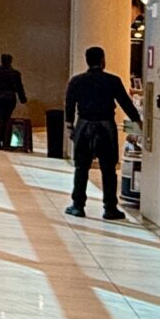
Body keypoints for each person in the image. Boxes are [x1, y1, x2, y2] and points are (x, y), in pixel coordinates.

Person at [64, 43, 141, 219]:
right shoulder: (112, 81)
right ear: (103, 61)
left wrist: (69, 126)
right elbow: (126, 104)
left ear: (87, 61)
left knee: (81, 167)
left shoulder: (76, 81)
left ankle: (77, 205)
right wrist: (137, 124)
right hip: (106, 127)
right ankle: (109, 208)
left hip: (83, 126)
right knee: (108, 169)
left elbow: (69, 105)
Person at [0, 52, 28, 148]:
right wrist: (23, 99)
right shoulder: (15, 73)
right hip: (9, 98)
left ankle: (0, 140)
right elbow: (19, 87)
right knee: (5, 118)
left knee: (0, 119)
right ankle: (3, 140)